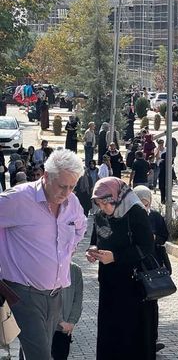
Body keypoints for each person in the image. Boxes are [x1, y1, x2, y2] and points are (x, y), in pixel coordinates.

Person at [0, 149, 87, 360]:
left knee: (37, 351)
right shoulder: (18, 199)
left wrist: (69, 249)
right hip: (23, 293)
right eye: (62, 186)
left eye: (72, 186)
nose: (66, 192)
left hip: (56, 295)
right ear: (46, 176)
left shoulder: (72, 202)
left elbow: (81, 226)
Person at [87, 177, 156, 359]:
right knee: (110, 333)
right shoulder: (101, 215)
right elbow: (97, 239)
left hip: (134, 285)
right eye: (99, 203)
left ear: (117, 197)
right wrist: (93, 250)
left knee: (132, 336)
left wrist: (116, 257)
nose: (103, 208)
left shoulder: (135, 212)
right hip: (110, 283)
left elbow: (147, 247)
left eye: (106, 203)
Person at [133, 185, 170, 352]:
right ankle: (136, 339)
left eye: (146, 201)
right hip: (135, 267)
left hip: (152, 267)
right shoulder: (130, 216)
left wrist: (155, 238)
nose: (144, 205)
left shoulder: (155, 216)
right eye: (140, 201)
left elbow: (164, 236)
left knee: (152, 304)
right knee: (135, 305)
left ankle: (152, 340)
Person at [51, 262, 83, 360]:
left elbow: (78, 299)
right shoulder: (46, 265)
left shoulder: (75, 270)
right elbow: (46, 298)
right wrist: (60, 321)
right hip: (44, 326)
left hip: (64, 329)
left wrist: (72, 322)